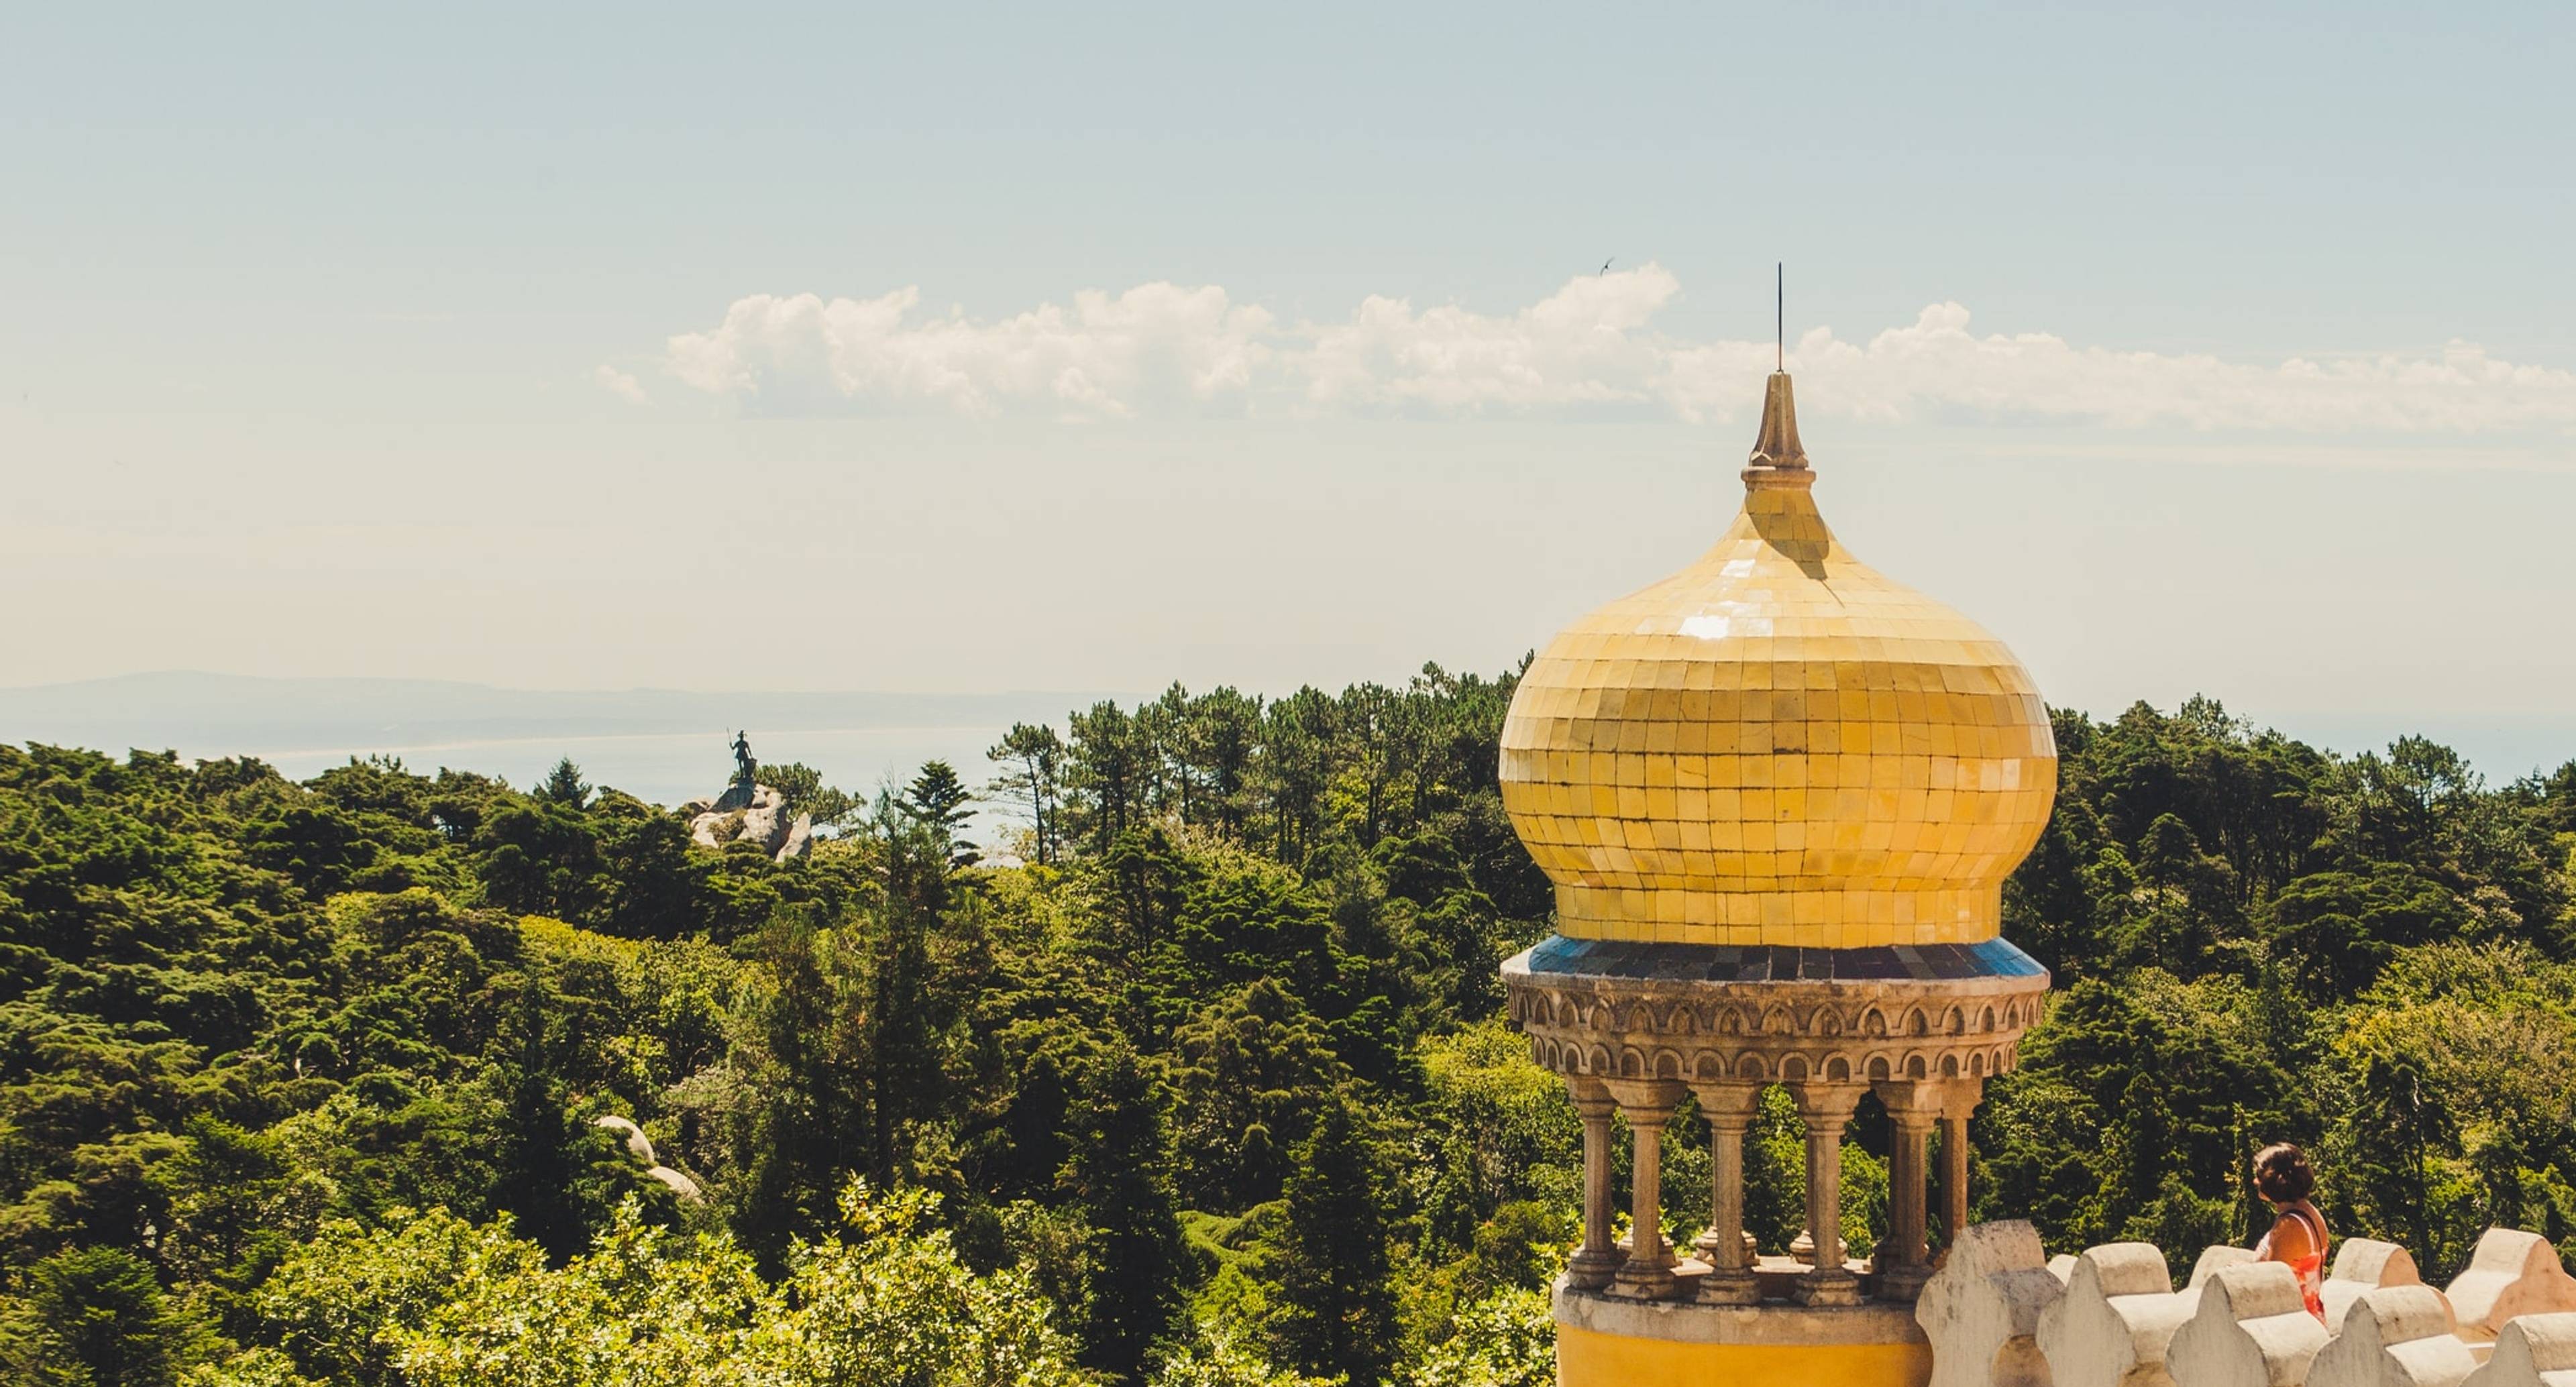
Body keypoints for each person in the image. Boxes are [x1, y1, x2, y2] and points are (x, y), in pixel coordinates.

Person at [2251, 1142, 2330, 1320]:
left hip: (2290, 1322)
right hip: (2309, 1315)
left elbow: (2272, 1280)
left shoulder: (2289, 1225)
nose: (2255, 1181)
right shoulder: (2309, 1212)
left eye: (2259, 1176)